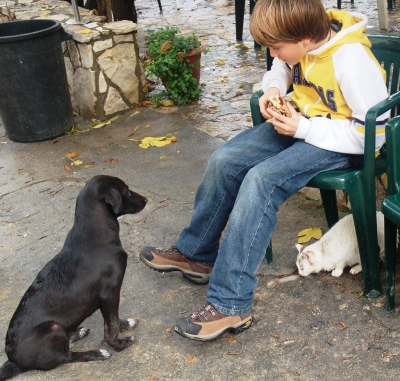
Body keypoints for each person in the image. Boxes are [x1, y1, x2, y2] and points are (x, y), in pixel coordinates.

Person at [140, 0, 389, 342]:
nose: (273, 52)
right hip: (302, 124)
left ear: (303, 38)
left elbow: (372, 134)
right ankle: (196, 253)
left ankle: (231, 304)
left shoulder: (351, 60)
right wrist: (273, 87)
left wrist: (304, 128)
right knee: (225, 159)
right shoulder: (303, 43)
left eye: (276, 46)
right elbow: (281, 65)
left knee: (261, 180)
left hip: (344, 143)